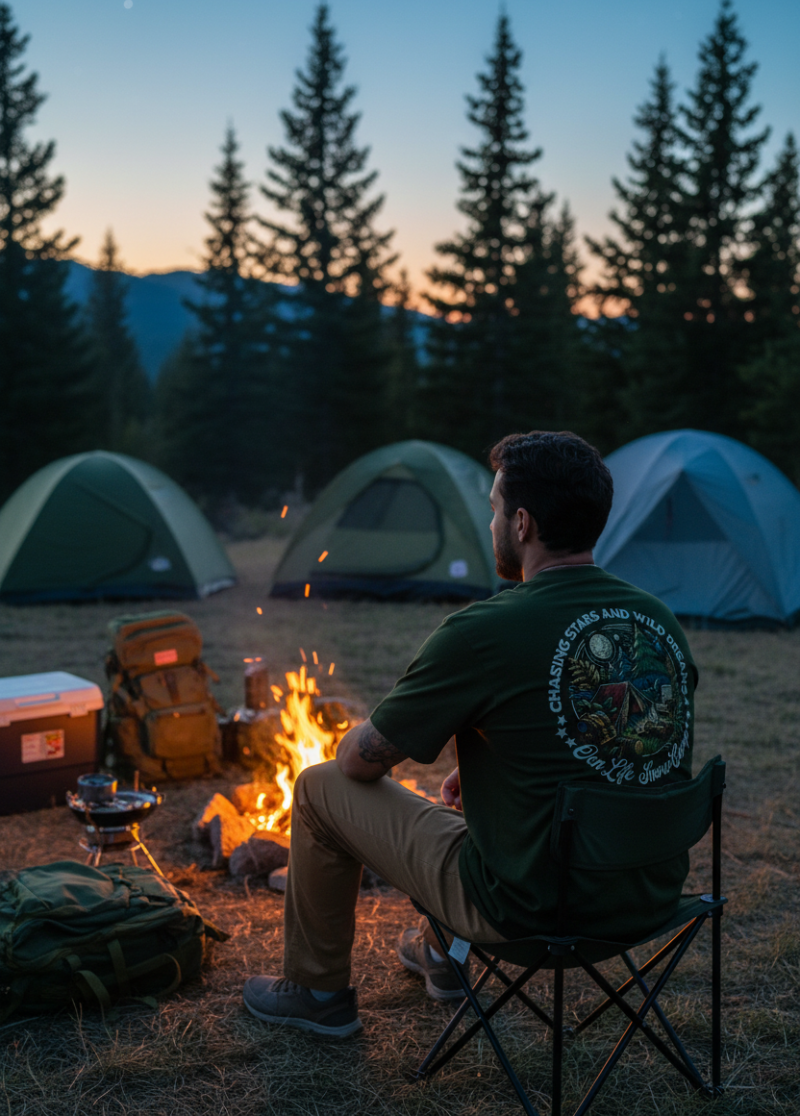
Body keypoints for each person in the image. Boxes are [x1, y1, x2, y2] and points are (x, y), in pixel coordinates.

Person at [243, 431, 698, 1037]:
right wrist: (493, 759)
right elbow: (631, 738)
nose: (491, 524)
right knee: (480, 812)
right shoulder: (658, 621)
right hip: (648, 896)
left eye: (493, 509)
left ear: (522, 523)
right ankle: (440, 955)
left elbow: (358, 764)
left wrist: (358, 734)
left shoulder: (483, 631)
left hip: (528, 910)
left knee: (320, 786)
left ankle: (316, 993)